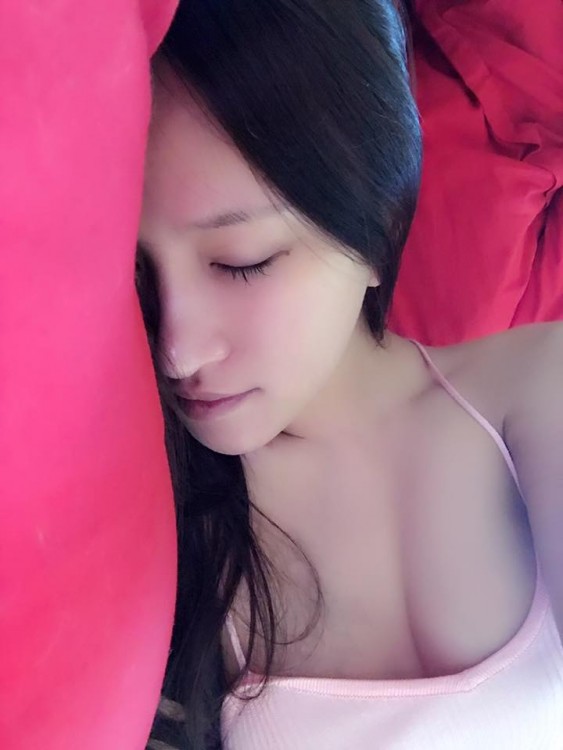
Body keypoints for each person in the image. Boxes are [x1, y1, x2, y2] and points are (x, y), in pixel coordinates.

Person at [135, 1, 563, 748]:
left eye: (242, 263)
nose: (177, 352)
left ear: (376, 229)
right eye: (138, 275)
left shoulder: (534, 389)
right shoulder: (161, 510)